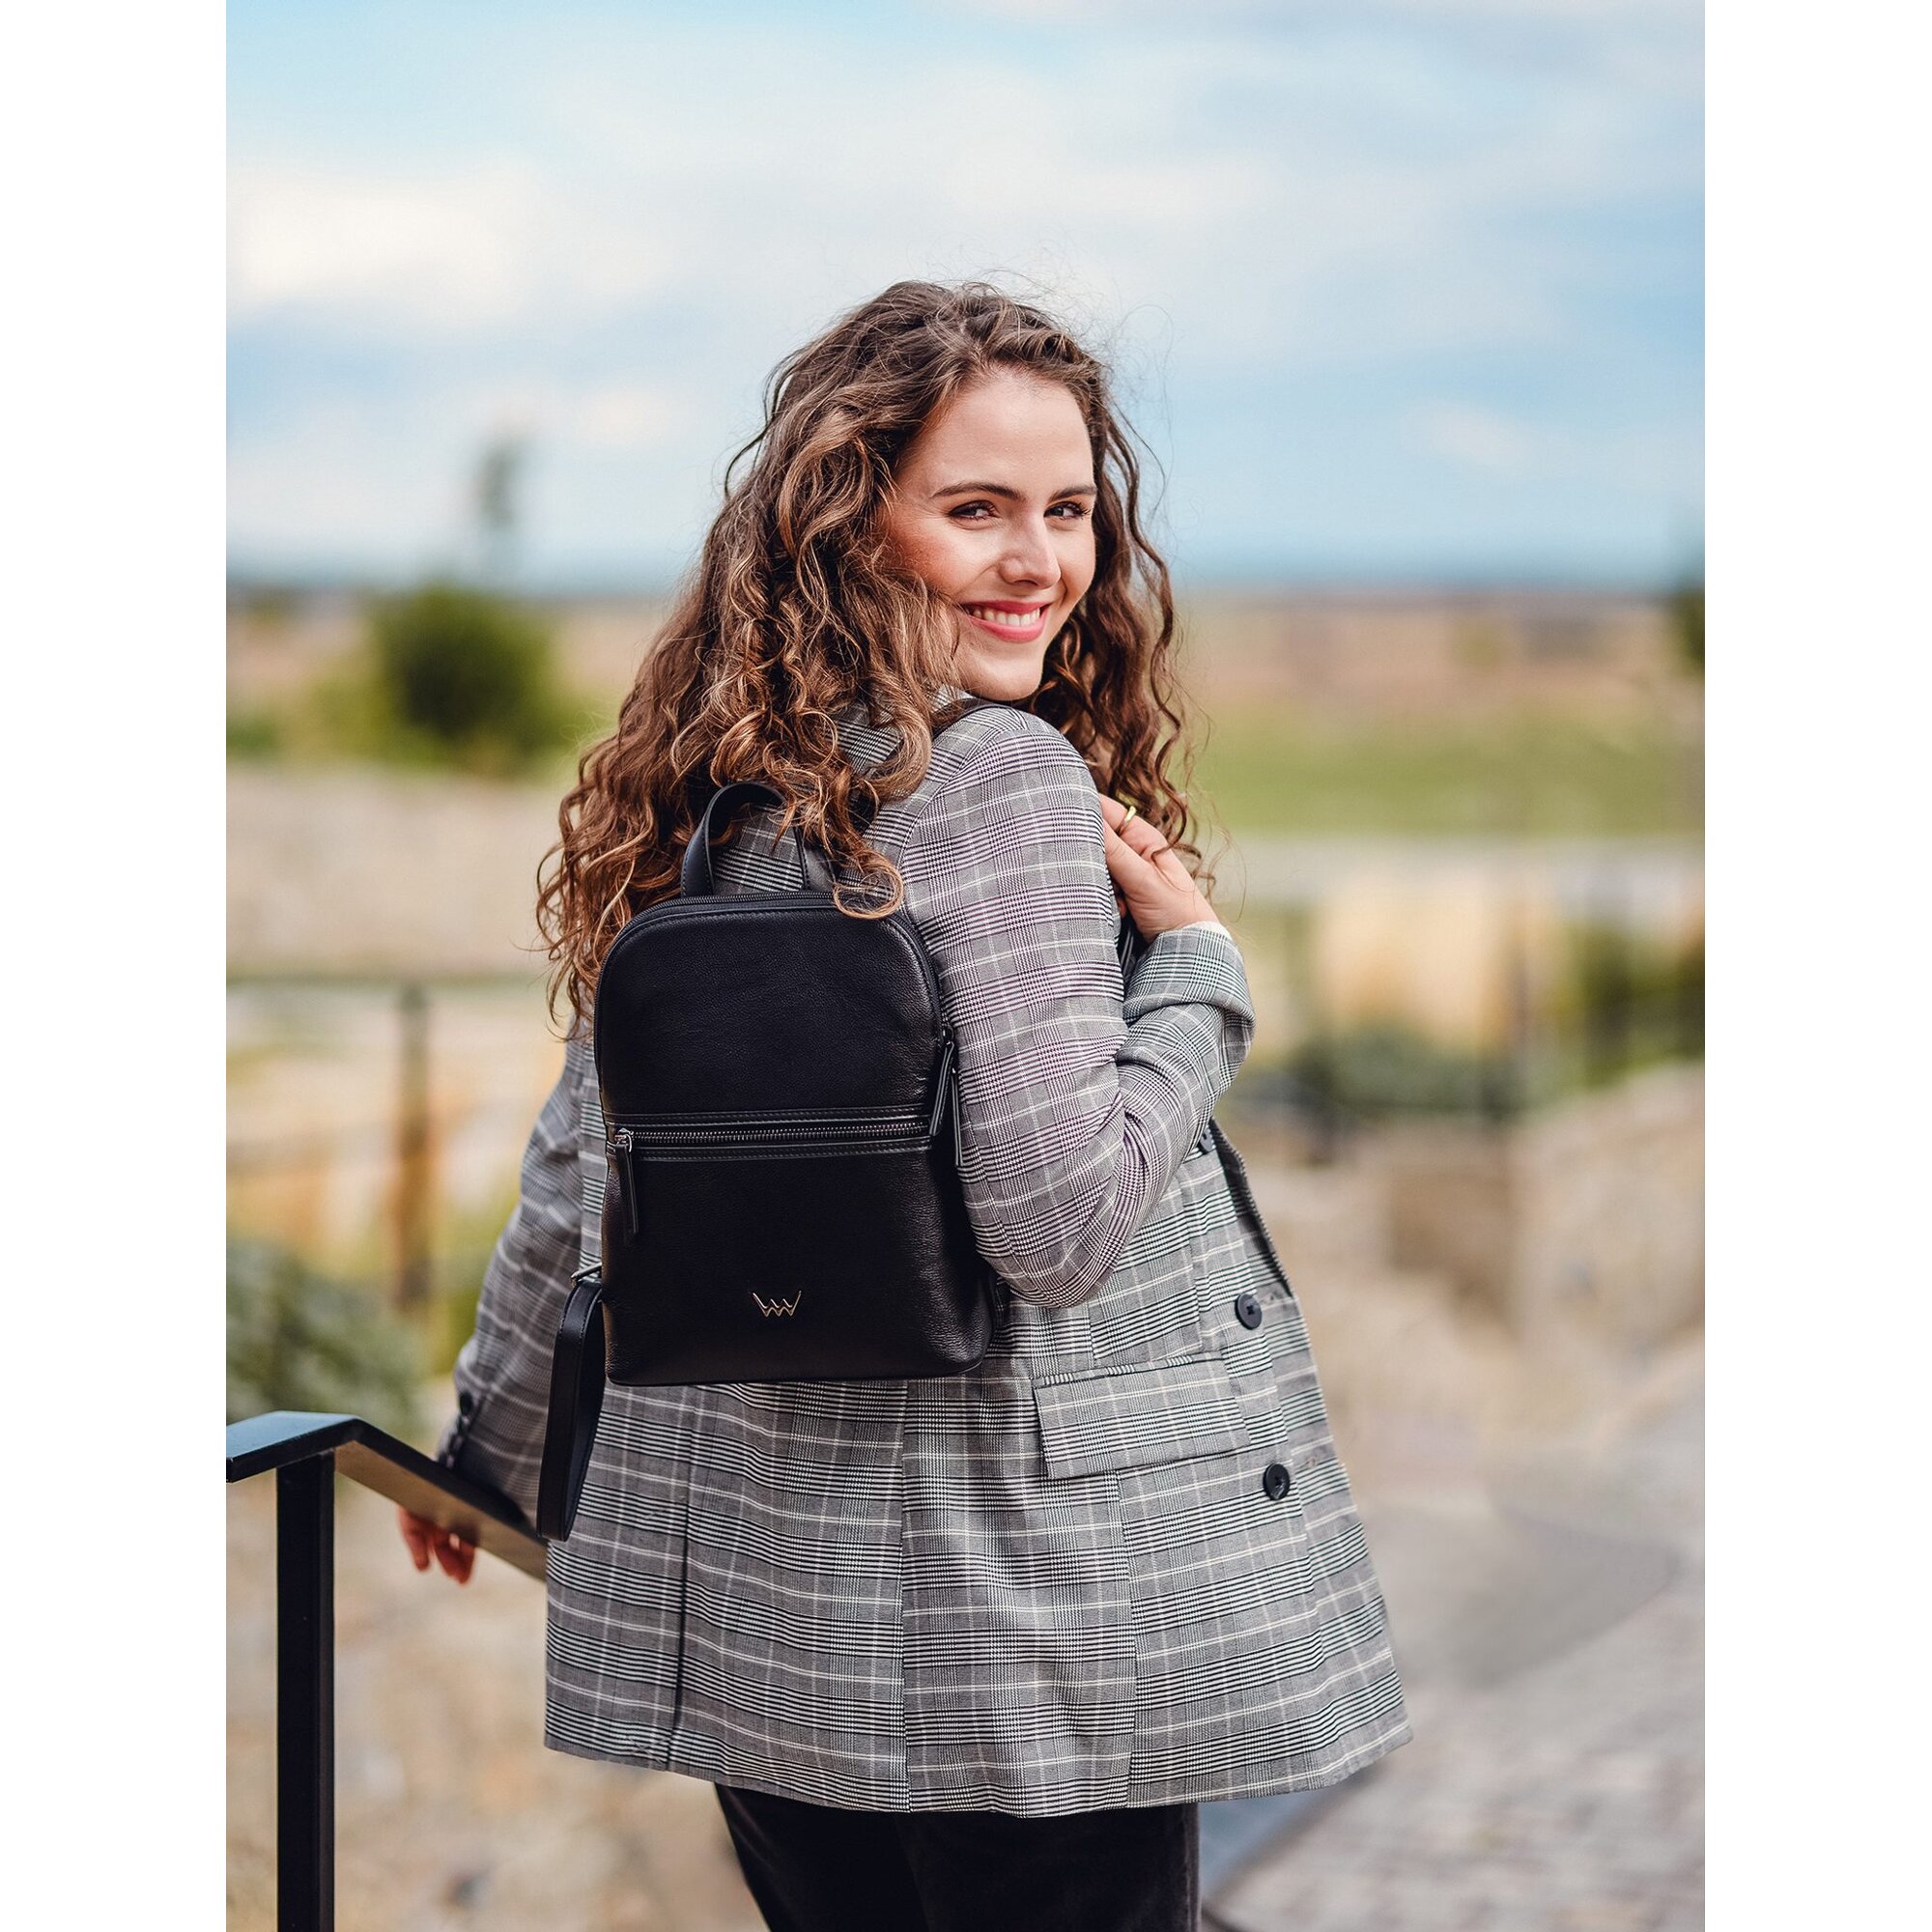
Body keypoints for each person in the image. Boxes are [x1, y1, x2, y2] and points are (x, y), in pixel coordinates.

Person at [400, 280, 1411, 1932]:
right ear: (855, 523)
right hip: (1025, 1643)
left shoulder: (718, 796)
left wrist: (489, 1447)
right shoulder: (1004, 782)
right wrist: (1200, 978)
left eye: (1069, 511)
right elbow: (1060, 1225)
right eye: (977, 508)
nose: (1041, 562)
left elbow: (585, 1159)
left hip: (769, 1629)